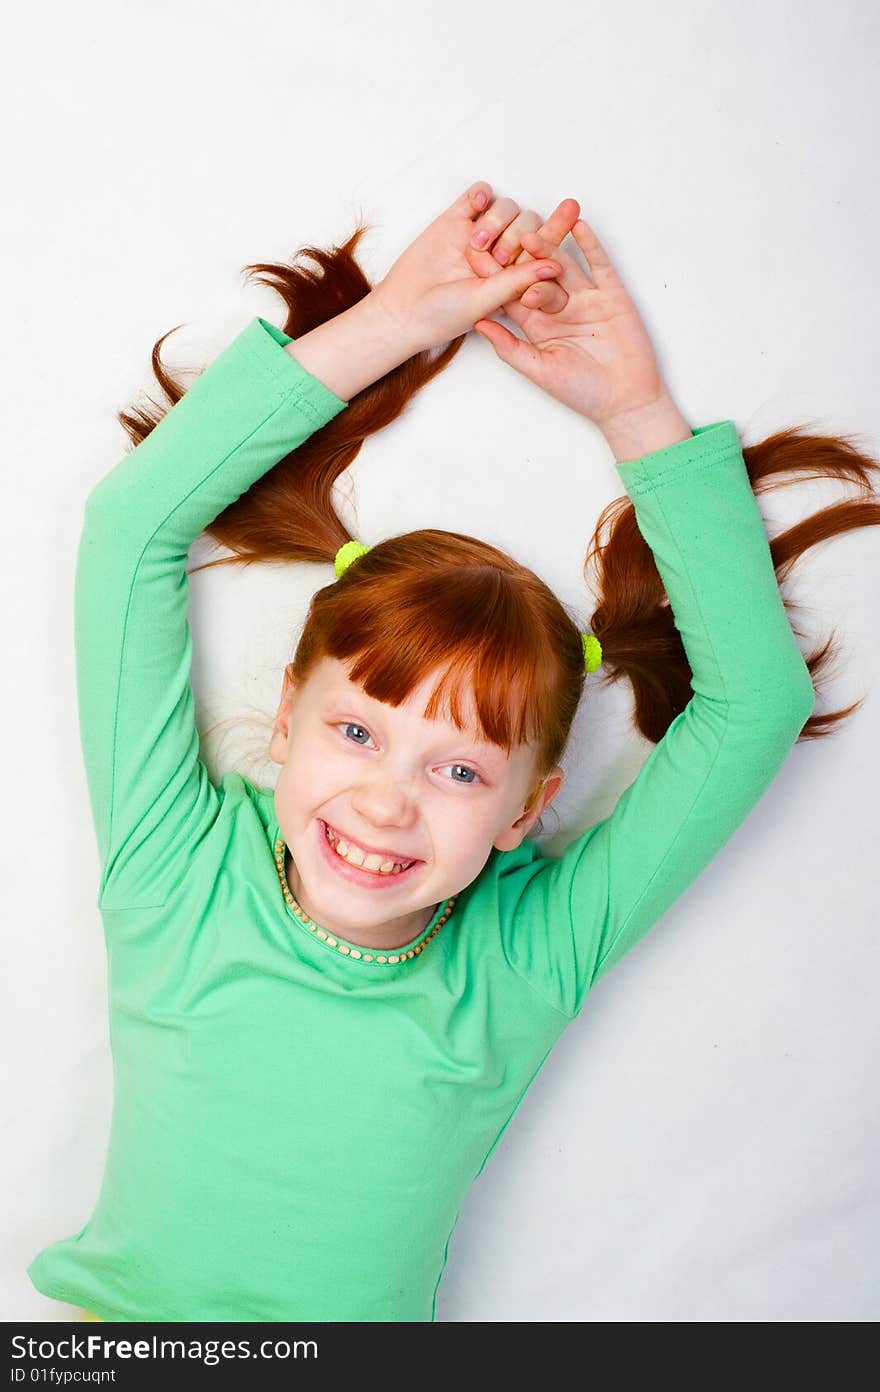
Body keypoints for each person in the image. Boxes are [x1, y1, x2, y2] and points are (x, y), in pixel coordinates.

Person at [27, 183, 878, 1323]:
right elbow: (133, 527)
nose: (386, 804)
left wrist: (635, 408)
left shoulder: (526, 952)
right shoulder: (174, 866)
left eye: (462, 771)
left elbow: (751, 707)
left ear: (526, 813)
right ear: (286, 724)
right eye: (358, 732)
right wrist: (394, 322)